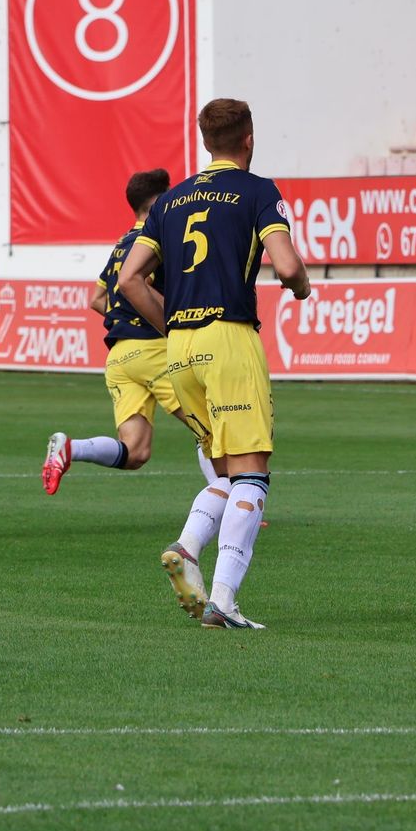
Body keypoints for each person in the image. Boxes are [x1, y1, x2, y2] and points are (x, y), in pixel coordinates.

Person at [117, 98, 312, 631]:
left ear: (206, 142)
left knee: (224, 470)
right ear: (248, 139)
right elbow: (287, 263)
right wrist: (300, 286)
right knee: (252, 472)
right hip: (229, 340)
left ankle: (186, 546)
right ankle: (224, 600)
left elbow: (130, 279)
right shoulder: (257, 191)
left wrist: (173, 326)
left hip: (179, 348)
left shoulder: (172, 199)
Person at [41, 168, 219, 495]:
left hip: (120, 357)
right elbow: (141, 285)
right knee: (210, 422)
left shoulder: (122, 244)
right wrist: (178, 318)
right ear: (161, 201)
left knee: (135, 451)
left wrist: (126, 317)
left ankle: (70, 448)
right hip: (153, 349)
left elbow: (97, 299)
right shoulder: (157, 241)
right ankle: (229, 499)